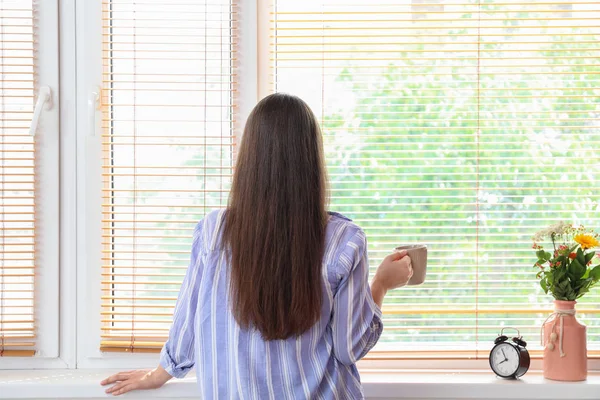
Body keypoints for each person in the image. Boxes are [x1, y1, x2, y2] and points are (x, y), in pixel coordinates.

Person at [101, 93, 413, 399]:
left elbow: (188, 322)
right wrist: (381, 285)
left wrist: (160, 373)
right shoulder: (344, 239)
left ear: (250, 158)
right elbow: (350, 348)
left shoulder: (213, 233)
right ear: (312, 161)